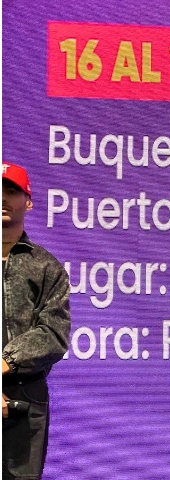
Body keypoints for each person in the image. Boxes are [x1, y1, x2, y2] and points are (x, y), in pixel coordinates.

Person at [2, 162, 71, 479]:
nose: (2, 198)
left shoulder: (46, 267)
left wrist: (4, 362)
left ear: (27, 202)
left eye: (11, 190)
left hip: (24, 399)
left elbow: (53, 334)